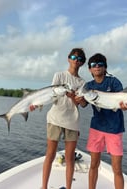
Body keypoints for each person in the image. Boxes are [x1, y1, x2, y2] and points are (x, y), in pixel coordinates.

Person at [30, 48, 87, 189]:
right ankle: (44, 187)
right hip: (55, 119)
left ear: (82, 63)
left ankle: (68, 187)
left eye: (79, 59)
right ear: (69, 58)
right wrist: (36, 104)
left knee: (70, 159)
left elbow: (83, 104)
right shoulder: (59, 76)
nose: (76, 60)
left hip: (73, 122)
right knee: (50, 155)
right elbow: (51, 95)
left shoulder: (82, 82)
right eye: (74, 57)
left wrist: (73, 97)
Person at [84, 53, 127, 189]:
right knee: (93, 165)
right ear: (90, 69)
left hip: (114, 129)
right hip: (96, 128)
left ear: (105, 67)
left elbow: (123, 100)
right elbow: (82, 103)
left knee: (116, 169)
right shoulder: (88, 86)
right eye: (93, 65)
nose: (97, 67)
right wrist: (78, 98)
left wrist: (125, 106)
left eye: (100, 64)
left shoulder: (113, 82)